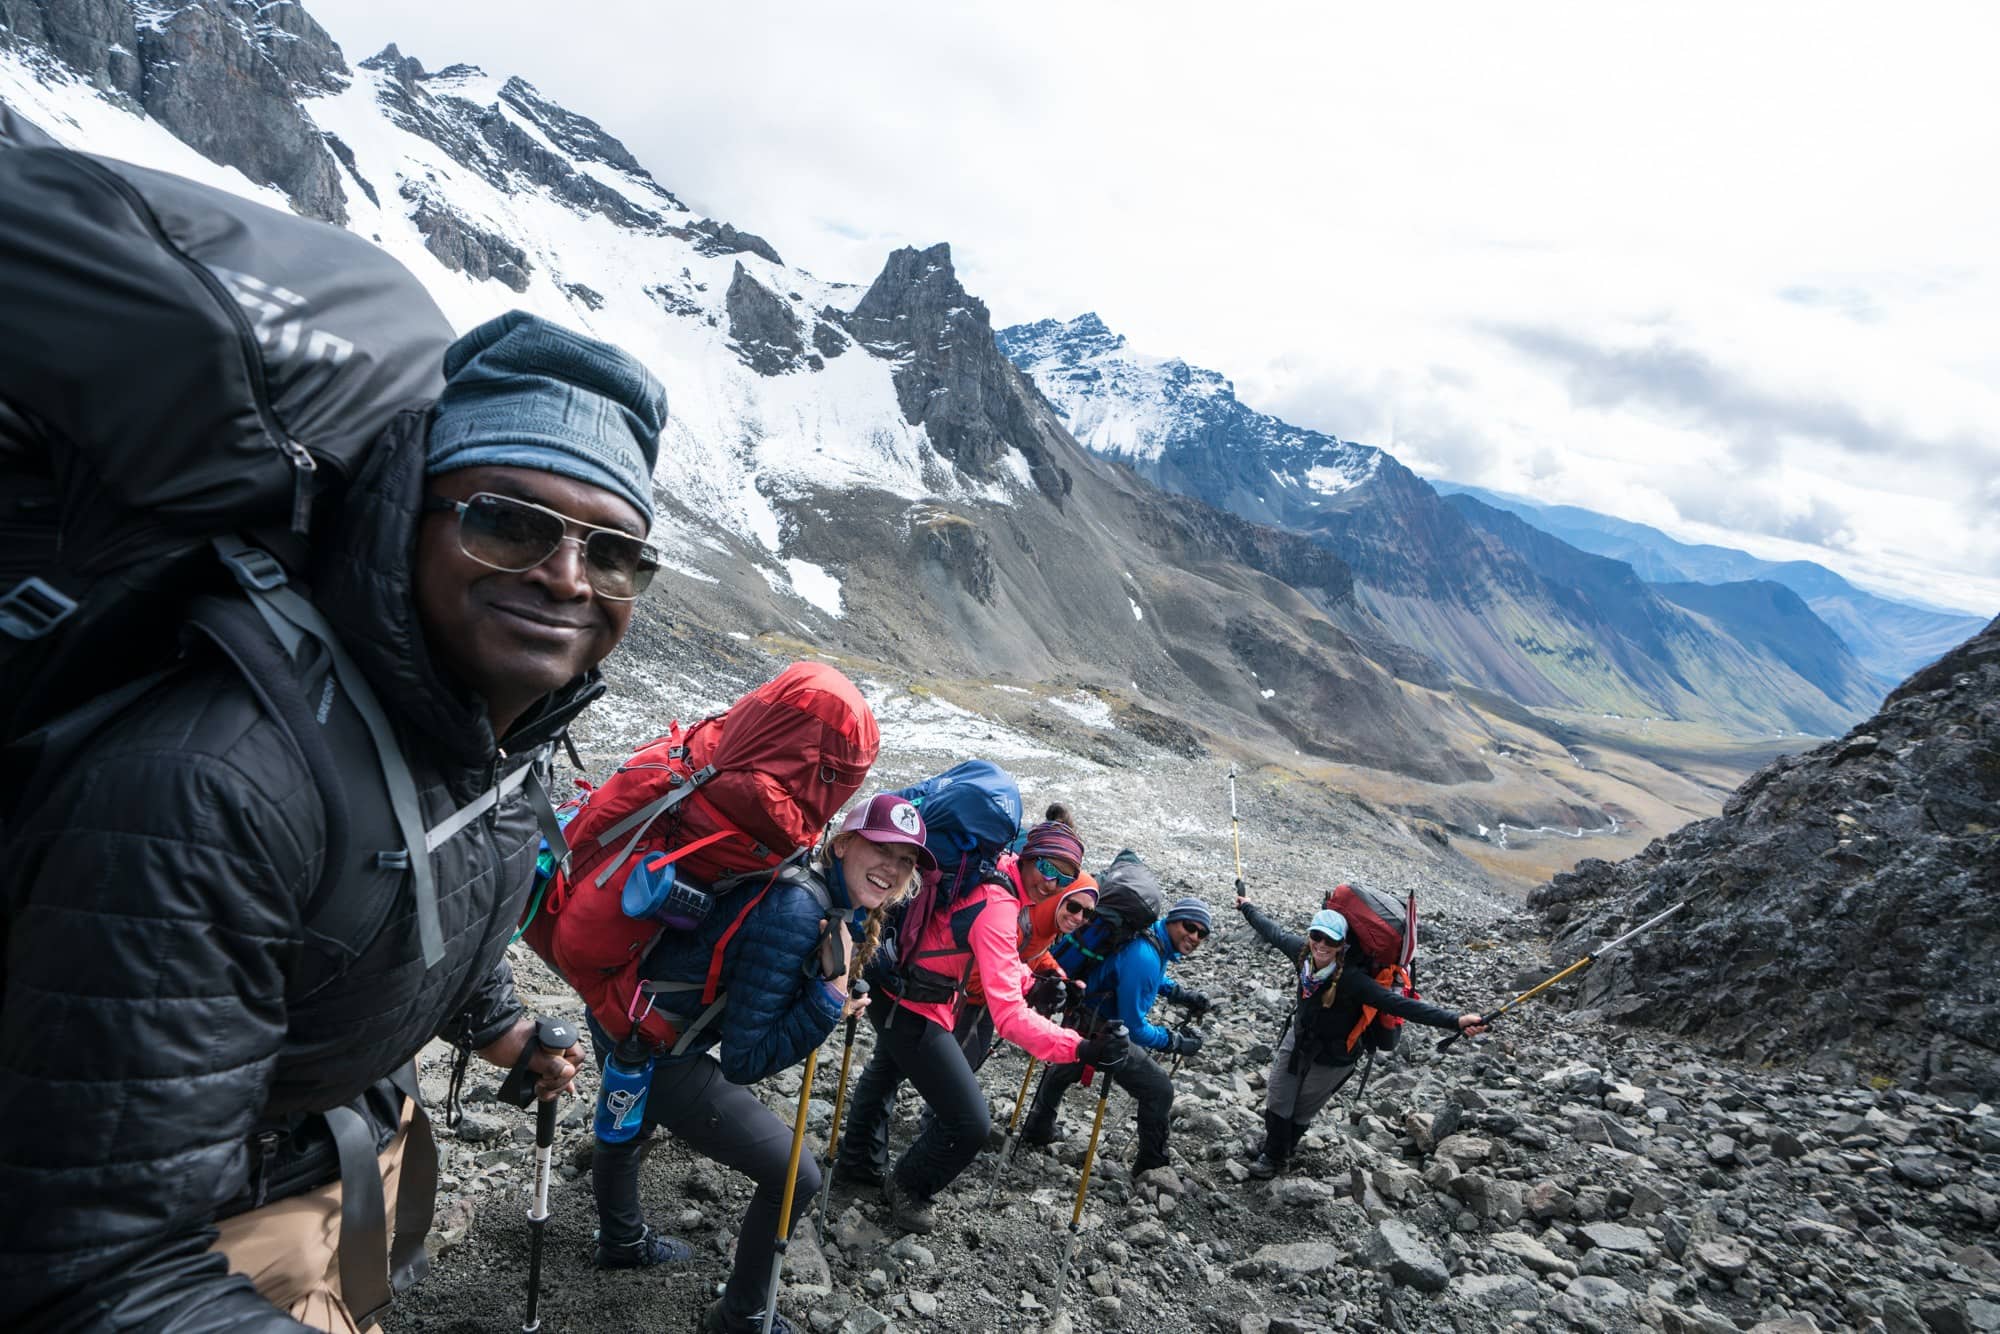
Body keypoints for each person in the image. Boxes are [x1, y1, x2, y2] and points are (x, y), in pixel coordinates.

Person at [0, 310, 664, 1330]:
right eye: (509, 522)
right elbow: (94, 1271)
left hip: (320, 1175)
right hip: (217, 1240)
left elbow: (424, 872)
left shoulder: (485, 733)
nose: (568, 577)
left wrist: (498, 1025)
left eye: (611, 551)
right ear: (410, 516)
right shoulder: (212, 789)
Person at [588, 793, 926, 1334]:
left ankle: (621, 1241)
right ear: (842, 843)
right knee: (796, 1175)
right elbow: (745, 1060)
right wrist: (826, 1002)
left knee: (632, 1122)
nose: (894, 867)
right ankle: (742, 1317)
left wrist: (828, 993)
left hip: (625, 1009)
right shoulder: (798, 910)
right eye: (882, 848)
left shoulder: (809, 887)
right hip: (661, 1045)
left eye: (907, 860)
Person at [835, 823, 1127, 1235]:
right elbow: (1008, 1017)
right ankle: (907, 1187)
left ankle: (858, 1164)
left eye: (1063, 876)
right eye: (1046, 865)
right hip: (916, 1003)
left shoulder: (997, 876)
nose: (1051, 881)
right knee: (969, 1121)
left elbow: (973, 949)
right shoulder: (1000, 904)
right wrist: (1081, 1049)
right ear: (1027, 855)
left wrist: (1035, 984)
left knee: (886, 1070)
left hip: (898, 986)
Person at [1236, 891, 1488, 1178]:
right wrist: (1247, 908)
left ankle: (1276, 1157)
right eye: (1317, 936)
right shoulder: (1302, 954)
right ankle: (1276, 1149)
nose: (1322, 945)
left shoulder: (1354, 981)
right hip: (1300, 1038)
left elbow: (1400, 1005)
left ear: (1342, 945)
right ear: (1309, 936)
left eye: (1330, 940)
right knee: (1279, 1098)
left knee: (1302, 1110)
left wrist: (1456, 1021)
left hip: (1336, 1055)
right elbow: (1272, 931)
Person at [1021, 891, 1215, 1175]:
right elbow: (1134, 1029)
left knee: (1062, 1072)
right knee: (1159, 1090)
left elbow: (1141, 975)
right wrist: (1174, 1042)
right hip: (1104, 1030)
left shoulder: (1151, 940)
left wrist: (1179, 993)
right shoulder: (1148, 954)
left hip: (1082, 1017)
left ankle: (1037, 1128)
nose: (1195, 937)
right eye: (1190, 926)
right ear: (1173, 921)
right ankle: (1152, 1165)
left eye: (1202, 933)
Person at [951, 820, 1095, 1068]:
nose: (1079, 917)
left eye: (1088, 914)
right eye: (1074, 906)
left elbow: (1032, 955)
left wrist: (1054, 977)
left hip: (983, 997)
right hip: (963, 995)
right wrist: (1033, 987)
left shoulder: (1046, 919)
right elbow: (997, 961)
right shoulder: (1015, 909)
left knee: (960, 1069)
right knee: (945, 1076)